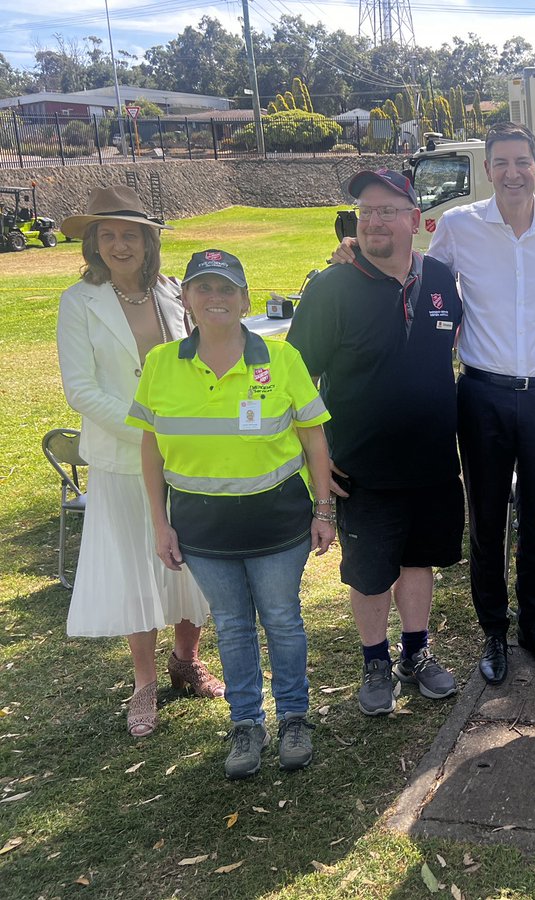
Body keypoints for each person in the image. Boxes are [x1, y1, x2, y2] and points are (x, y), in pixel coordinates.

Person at [129, 249, 336, 780]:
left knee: (283, 621)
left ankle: (293, 717)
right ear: (187, 299)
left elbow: (314, 440)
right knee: (233, 626)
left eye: (227, 289)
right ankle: (246, 723)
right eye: (204, 288)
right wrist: (159, 523)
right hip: (201, 532)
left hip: (279, 527)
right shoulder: (161, 365)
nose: (216, 298)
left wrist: (324, 508)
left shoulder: (281, 360)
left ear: (245, 300)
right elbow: (150, 450)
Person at [428, 122, 535, 685]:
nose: (511, 172)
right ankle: (494, 632)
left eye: (521, 161)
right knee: (486, 520)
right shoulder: (458, 225)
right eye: (500, 162)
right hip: (481, 394)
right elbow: (432, 287)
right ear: (487, 170)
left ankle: (531, 623)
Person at [289, 169, 464, 717]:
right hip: (362, 468)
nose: (374, 222)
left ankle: (416, 653)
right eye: (365, 212)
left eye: (388, 210)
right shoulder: (330, 288)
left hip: (434, 463)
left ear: (415, 219)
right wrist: (314, 459)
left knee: (418, 564)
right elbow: (295, 384)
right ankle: (375, 661)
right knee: (369, 574)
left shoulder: (440, 279)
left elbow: (450, 346)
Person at [56, 185, 221, 740]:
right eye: (108, 234)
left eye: (130, 234)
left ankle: (186, 659)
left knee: (194, 561)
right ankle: (145, 683)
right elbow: (80, 389)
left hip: (187, 452)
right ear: (93, 243)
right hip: (124, 458)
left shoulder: (174, 292)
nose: (119, 244)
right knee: (137, 566)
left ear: (149, 241)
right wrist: (146, 428)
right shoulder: (78, 303)